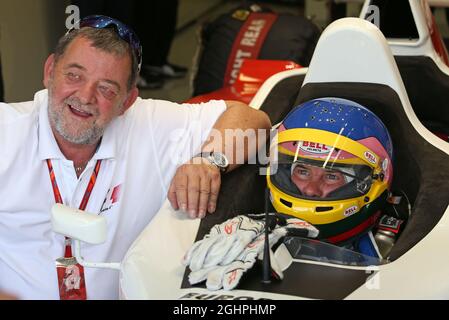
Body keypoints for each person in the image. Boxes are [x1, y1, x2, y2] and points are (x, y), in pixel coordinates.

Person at [0, 16, 271, 300]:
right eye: (74, 75)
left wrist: (208, 160)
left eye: (106, 88)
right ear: (49, 71)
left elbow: (252, 119)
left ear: (127, 101)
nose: (85, 96)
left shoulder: (148, 123)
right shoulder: (6, 133)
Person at [267, 97, 395, 258]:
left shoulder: (393, 246)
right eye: (303, 171)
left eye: (331, 176)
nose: (310, 190)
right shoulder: (253, 234)